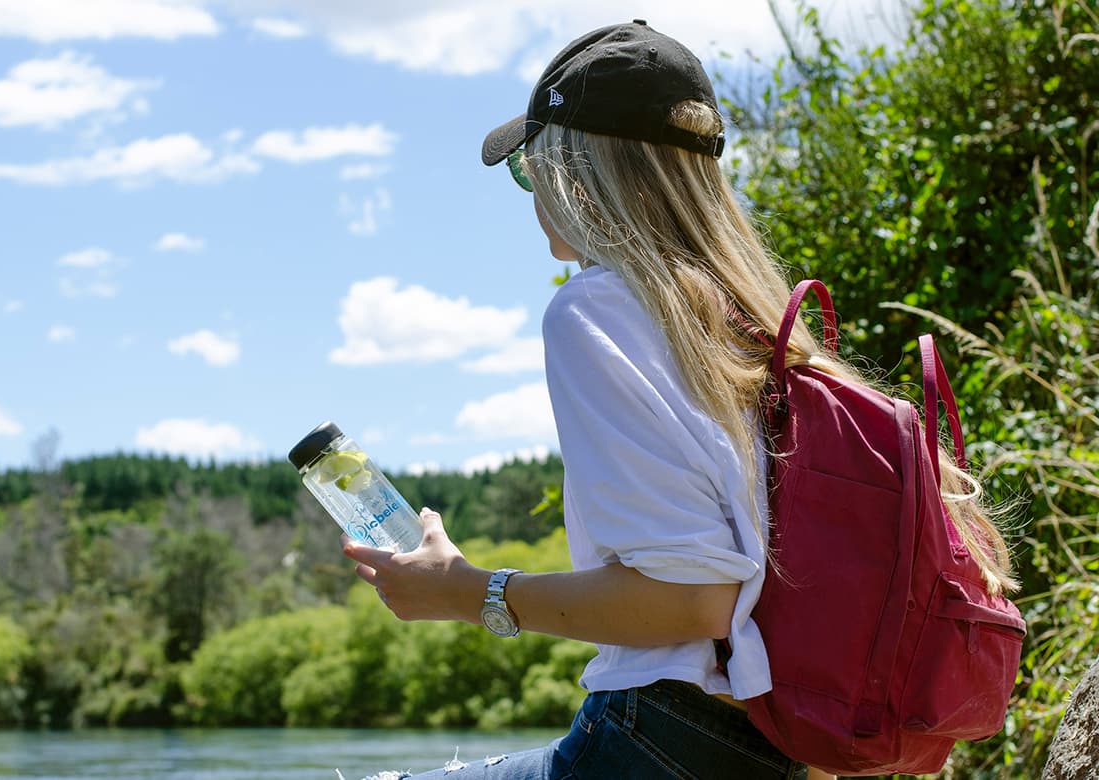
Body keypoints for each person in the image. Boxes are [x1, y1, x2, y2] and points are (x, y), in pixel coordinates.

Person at [342, 19, 1016, 780]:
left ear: (574, 168)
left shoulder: (595, 309)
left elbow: (694, 596)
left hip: (658, 736)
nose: (532, 193)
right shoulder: (755, 326)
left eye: (531, 167)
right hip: (782, 742)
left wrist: (472, 593)